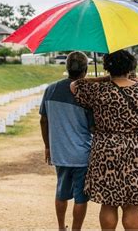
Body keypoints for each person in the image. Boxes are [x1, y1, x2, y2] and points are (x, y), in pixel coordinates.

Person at [70, 50, 138, 230]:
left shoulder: (99, 90)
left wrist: (102, 79)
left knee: (108, 202)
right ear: (131, 68)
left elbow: (74, 85)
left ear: (107, 68)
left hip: (106, 149)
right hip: (137, 150)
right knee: (132, 203)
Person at [40, 51, 94, 230]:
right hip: (82, 153)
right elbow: (93, 127)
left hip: (60, 151)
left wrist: (48, 146)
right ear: (85, 70)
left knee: (61, 192)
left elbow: (43, 120)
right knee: (80, 196)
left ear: (67, 68)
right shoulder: (86, 93)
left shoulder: (51, 89)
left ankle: (61, 227)